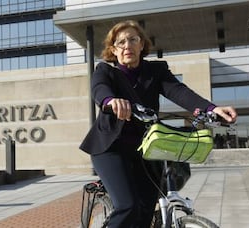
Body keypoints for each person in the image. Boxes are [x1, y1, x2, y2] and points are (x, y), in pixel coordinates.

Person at [79, 20, 237, 228]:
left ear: (142, 45)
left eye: (133, 39)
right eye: (121, 42)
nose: (127, 45)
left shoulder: (156, 71)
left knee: (145, 210)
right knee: (128, 206)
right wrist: (110, 101)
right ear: (113, 49)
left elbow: (179, 92)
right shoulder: (106, 71)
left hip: (146, 150)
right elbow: (99, 89)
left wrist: (211, 108)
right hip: (110, 149)